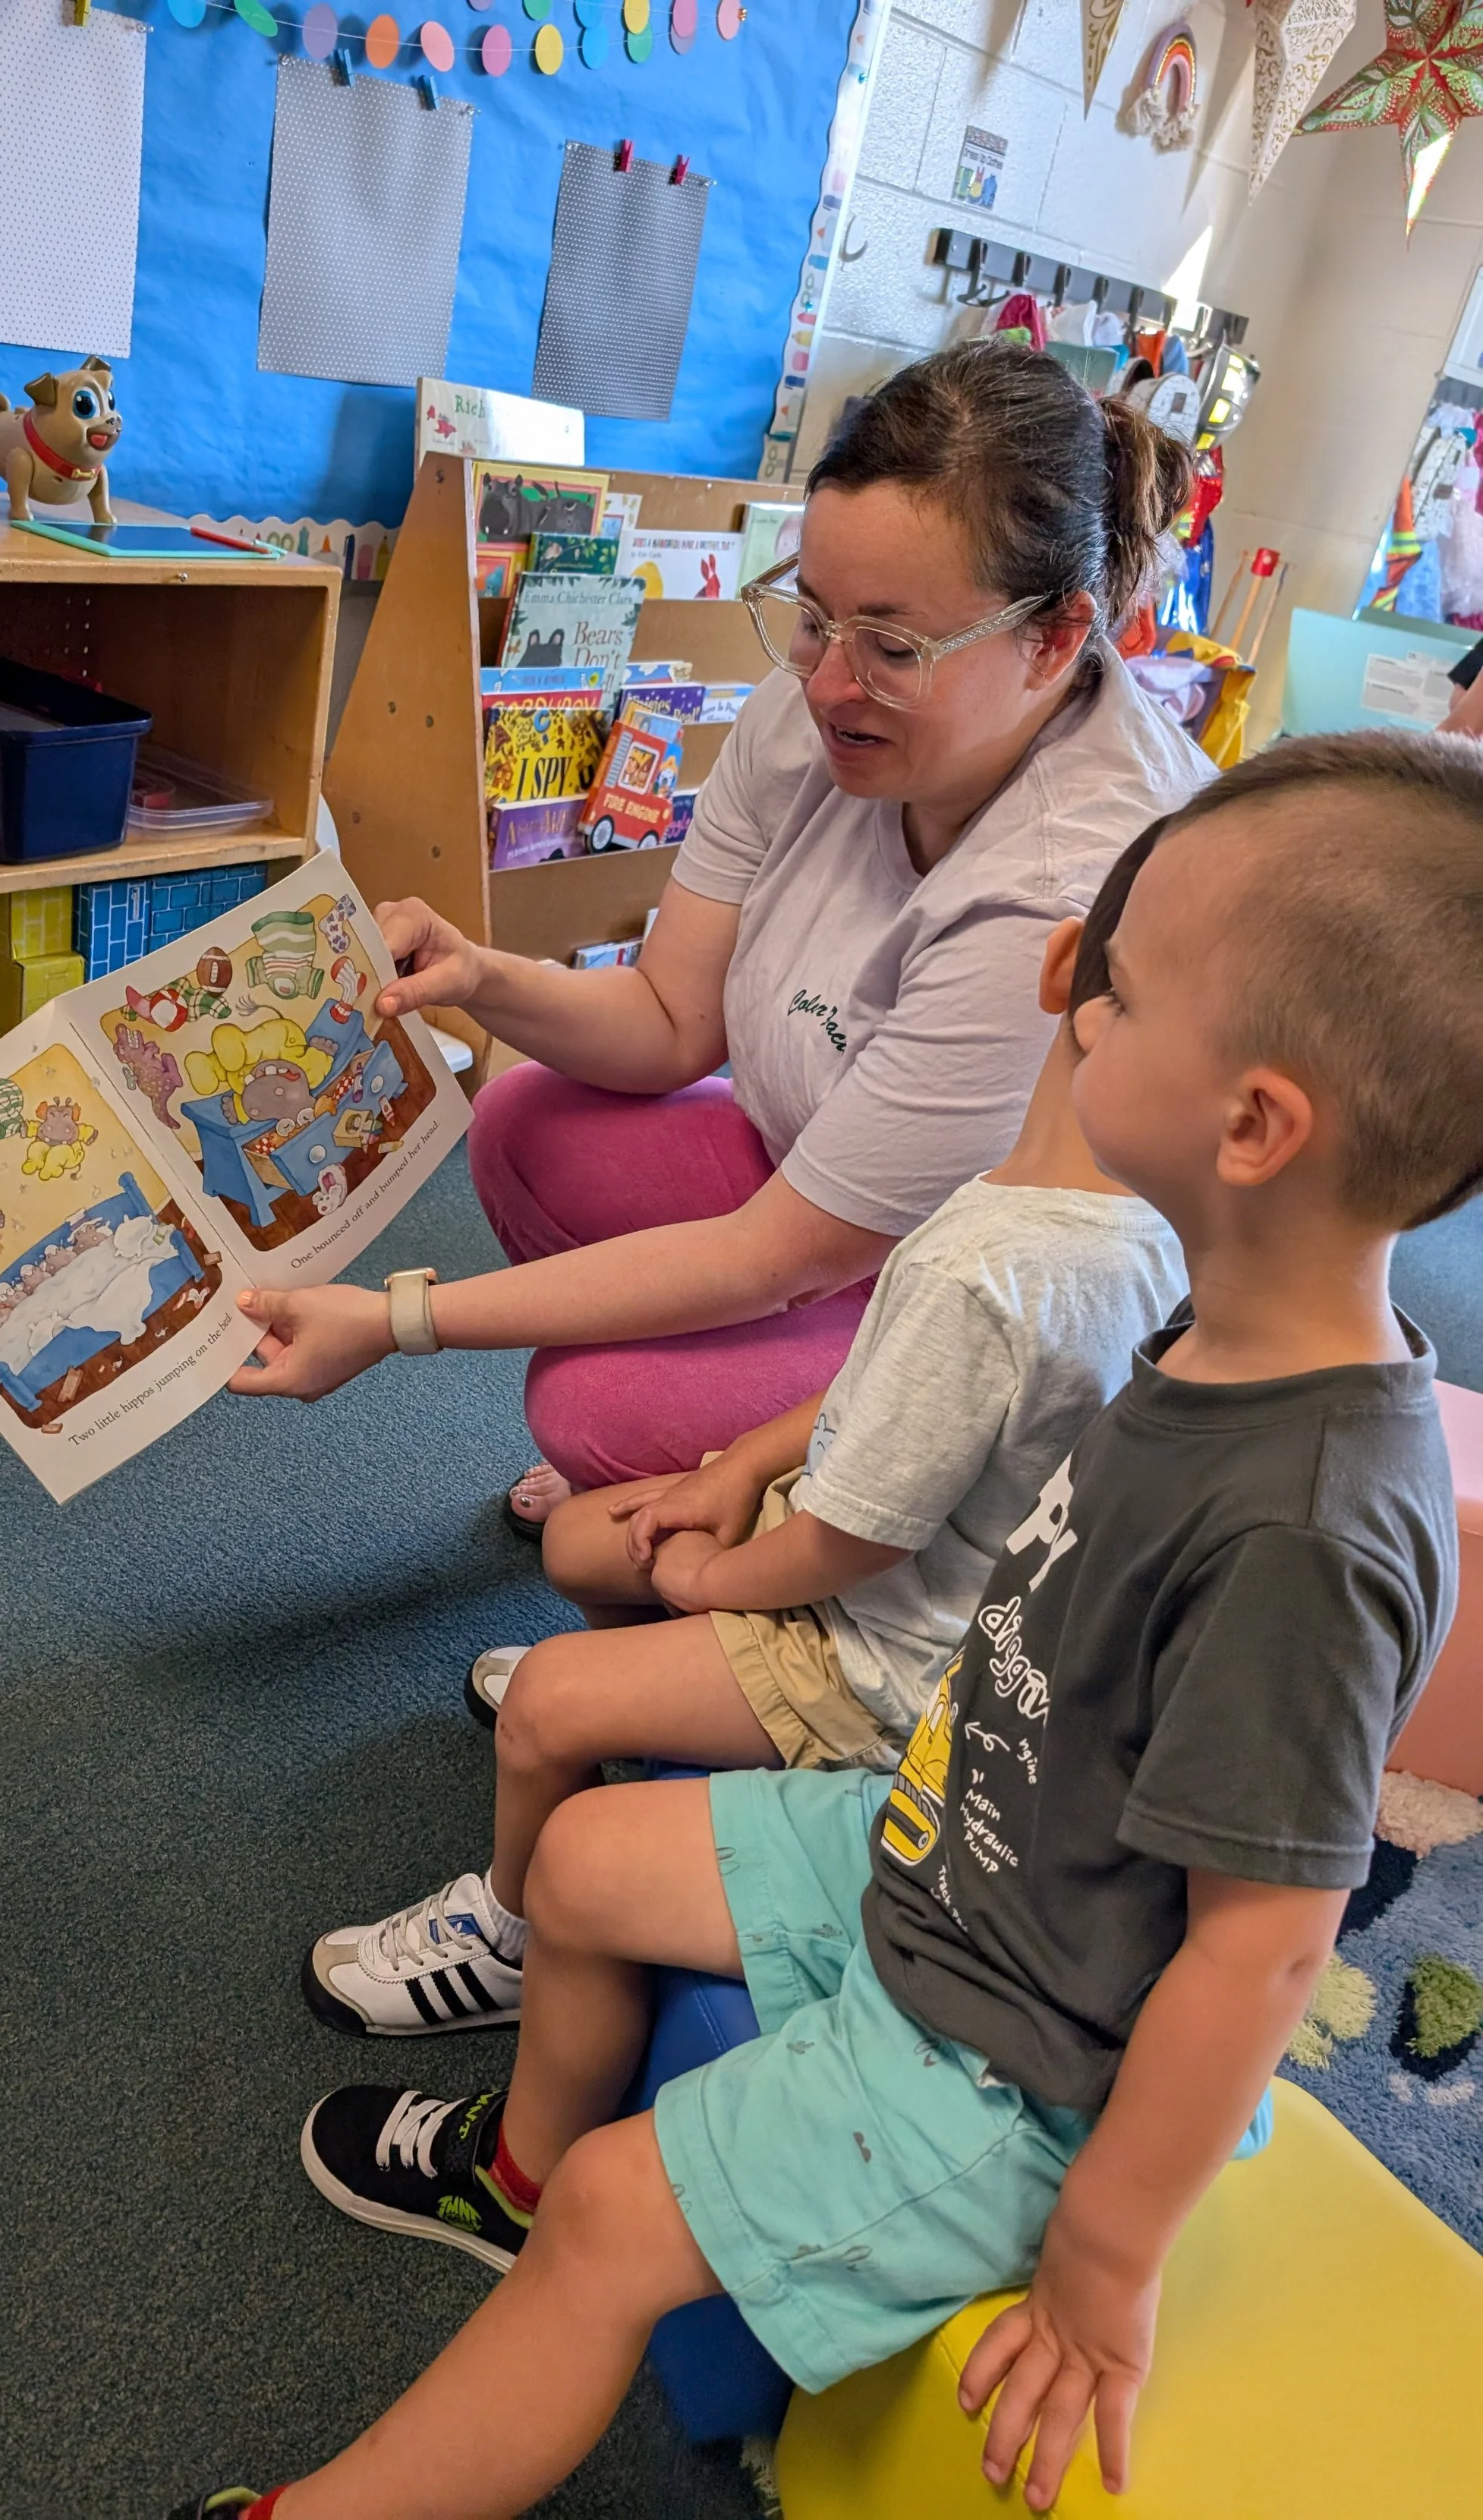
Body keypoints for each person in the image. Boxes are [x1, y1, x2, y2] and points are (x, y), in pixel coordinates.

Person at [172, 729, 1475, 2520]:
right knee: (585, 1861)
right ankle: (515, 2179)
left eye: (1119, 992)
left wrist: (1099, 2263)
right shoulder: (1222, 1313)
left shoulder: (1313, 1521)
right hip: (962, 1851)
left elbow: (1260, 1950)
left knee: (630, 2217)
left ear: (1251, 1124)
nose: (1068, 1006)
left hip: (1038, 2050)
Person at [228, 346, 1211, 1536]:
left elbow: (773, 1256)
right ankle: (700, 1465)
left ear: (1056, 640)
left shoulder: (1064, 884)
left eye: (892, 650)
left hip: (976, 1311)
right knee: (524, 1117)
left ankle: (813, 1534)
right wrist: (482, 977)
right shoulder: (807, 722)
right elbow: (668, 1022)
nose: (828, 683)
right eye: (810, 618)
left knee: (592, 1407)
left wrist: (398, 1319)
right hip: (822, 1206)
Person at [303, 846, 1187, 2036]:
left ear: (1061, 967)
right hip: (917, 1565)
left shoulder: (994, 1264)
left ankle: (513, 1935)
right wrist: (744, 1463)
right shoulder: (1120, 1217)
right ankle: (671, 1714)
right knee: (578, 1541)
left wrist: (718, 1575)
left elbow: (849, 1540)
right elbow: (890, 1399)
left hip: (892, 1651)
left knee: (549, 1702)